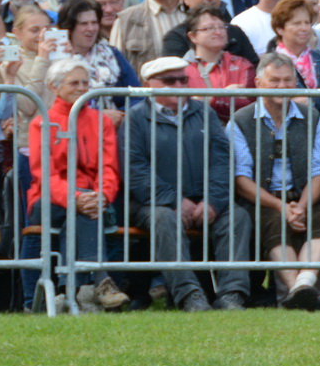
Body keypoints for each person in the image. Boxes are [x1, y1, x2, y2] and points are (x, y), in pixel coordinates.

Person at [122, 55, 252, 311]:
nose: (180, 86)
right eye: (170, 81)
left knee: (237, 217)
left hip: (203, 198)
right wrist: (173, 200)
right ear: (149, 84)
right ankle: (189, 295)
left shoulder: (203, 112)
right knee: (164, 219)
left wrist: (212, 201)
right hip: (153, 203)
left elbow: (222, 160)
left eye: (183, 80)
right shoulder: (135, 118)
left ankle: (233, 294)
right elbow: (135, 169)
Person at [229, 52, 320, 310]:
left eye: (287, 80)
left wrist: (301, 207)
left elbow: (319, 170)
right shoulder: (240, 121)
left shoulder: (312, 117)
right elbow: (241, 178)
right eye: (274, 80)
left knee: (319, 218)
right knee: (273, 221)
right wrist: (281, 207)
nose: (282, 86)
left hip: (302, 196)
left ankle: (300, 288)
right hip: (262, 200)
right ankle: (300, 291)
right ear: (258, 83)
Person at [26, 57, 127, 311]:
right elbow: (44, 174)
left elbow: (109, 168)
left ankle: (67, 291)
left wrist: (102, 195)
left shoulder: (102, 121)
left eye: (85, 82)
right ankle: (100, 281)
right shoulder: (41, 123)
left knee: (82, 212)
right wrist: (75, 198)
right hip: (48, 199)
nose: (82, 88)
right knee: (81, 209)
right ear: (54, 86)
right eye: (74, 83)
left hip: (90, 199)